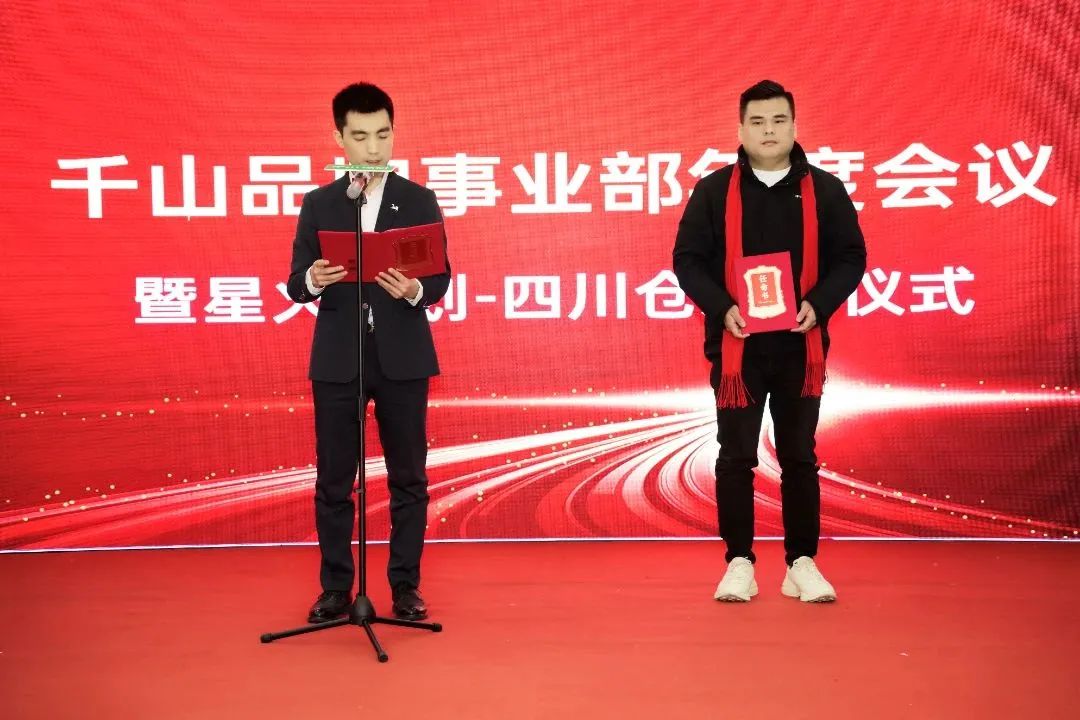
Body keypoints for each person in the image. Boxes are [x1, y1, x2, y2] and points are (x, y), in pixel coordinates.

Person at [673, 80, 866, 603]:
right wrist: (723, 308)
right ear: (740, 129)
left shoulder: (825, 189)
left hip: (801, 346)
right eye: (757, 122)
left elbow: (851, 256)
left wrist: (818, 303)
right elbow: (687, 260)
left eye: (779, 120)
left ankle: (802, 561)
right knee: (736, 456)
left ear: (794, 126)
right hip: (738, 348)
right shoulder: (714, 191)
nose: (768, 131)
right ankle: (739, 561)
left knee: (799, 455)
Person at [287, 82, 451, 622]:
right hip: (339, 359)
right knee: (335, 480)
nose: (374, 148)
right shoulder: (320, 204)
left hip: (403, 357)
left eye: (383, 134)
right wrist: (313, 280)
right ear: (339, 138)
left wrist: (416, 290)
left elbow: (441, 277)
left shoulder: (419, 199)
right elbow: (295, 282)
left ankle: (405, 586)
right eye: (360, 136)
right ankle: (337, 588)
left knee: (409, 478)